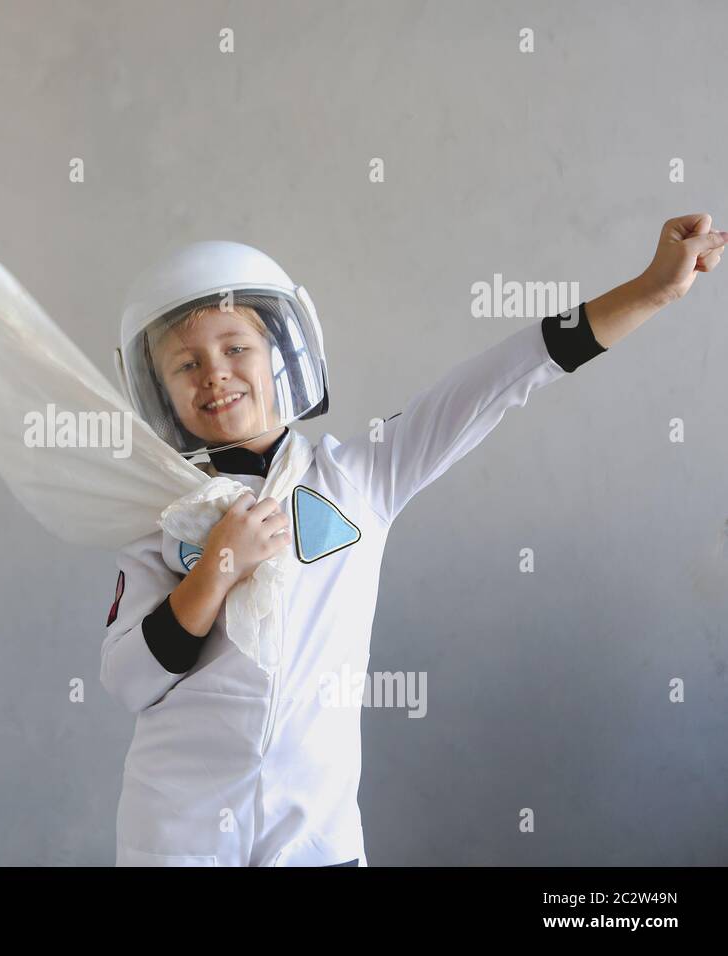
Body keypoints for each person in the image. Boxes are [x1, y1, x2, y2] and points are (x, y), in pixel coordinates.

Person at [101, 217, 726, 866]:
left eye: (236, 348)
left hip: (316, 840)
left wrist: (651, 290)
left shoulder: (362, 475)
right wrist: (218, 569)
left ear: (283, 349)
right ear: (160, 391)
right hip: (176, 840)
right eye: (186, 362)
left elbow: (507, 377)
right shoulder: (161, 519)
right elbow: (127, 682)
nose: (214, 374)